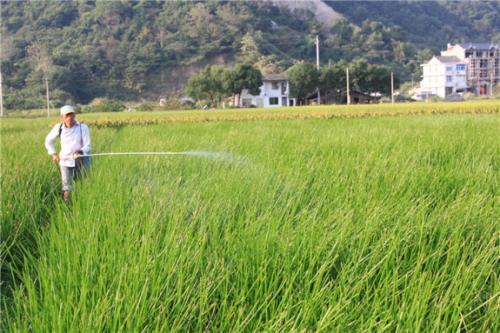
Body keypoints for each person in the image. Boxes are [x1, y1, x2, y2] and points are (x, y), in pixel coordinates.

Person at [45, 105, 91, 202]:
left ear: (75, 115)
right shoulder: (58, 128)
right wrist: (53, 154)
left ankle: (82, 202)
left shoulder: (83, 127)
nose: (70, 117)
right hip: (65, 160)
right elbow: (48, 141)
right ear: (62, 117)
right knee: (66, 186)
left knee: (82, 183)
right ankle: (67, 205)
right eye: (67, 115)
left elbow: (88, 145)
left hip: (81, 158)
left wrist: (80, 151)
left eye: (71, 114)